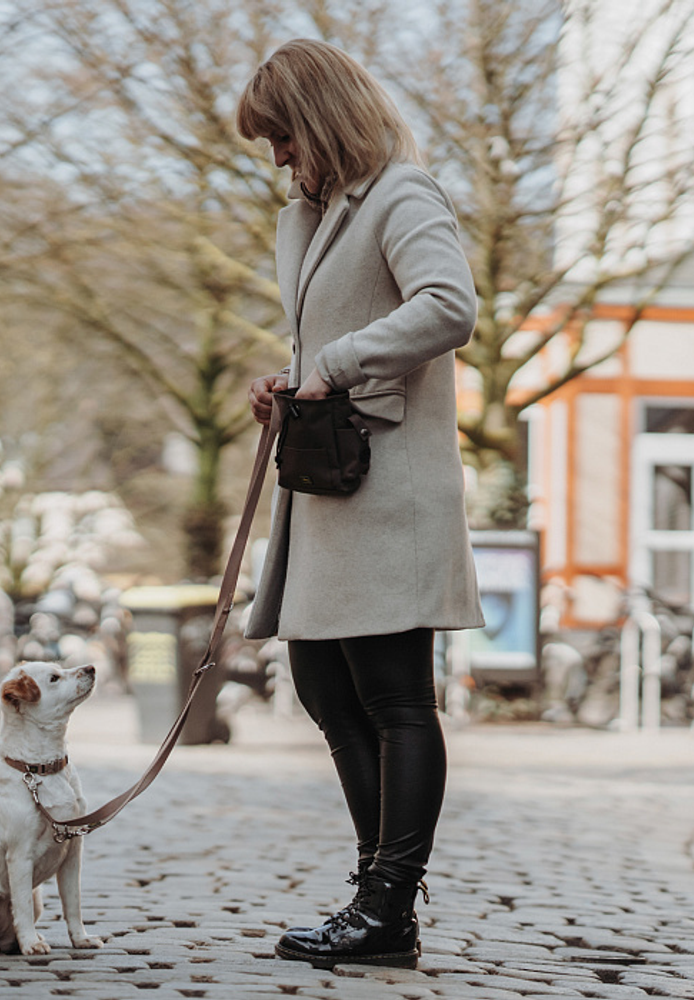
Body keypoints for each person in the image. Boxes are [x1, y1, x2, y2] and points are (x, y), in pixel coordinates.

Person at [236, 39, 484, 970]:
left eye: (284, 136)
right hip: (330, 486)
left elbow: (448, 306)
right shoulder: (310, 215)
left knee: (393, 699)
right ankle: (377, 903)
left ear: (322, 118)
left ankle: (387, 909)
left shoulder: (403, 192)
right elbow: (332, 334)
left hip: (388, 491)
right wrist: (289, 379)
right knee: (325, 691)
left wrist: (331, 366)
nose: (279, 157)